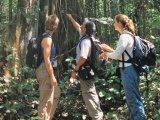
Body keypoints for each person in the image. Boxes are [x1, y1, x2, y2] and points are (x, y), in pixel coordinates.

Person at [99, 14, 146, 120]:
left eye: (115, 22)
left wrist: (105, 54)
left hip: (128, 71)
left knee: (133, 100)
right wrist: (109, 50)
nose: (114, 24)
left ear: (120, 23)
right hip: (130, 70)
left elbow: (116, 55)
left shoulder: (124, 36)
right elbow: (121, 54)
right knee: (131, 100)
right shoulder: (129, 35)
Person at [66, 14, 105, 120]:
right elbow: (77, 26)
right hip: (89, 70)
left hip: (85, 70)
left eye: (83, 26)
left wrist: (75, 70)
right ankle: (98, 115)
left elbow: (83, 57)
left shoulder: (85, 41)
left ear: (85, 29)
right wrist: (70, 18)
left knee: (88, 94)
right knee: (91, 92)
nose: (81, 27)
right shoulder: (89, 38)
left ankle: (96, 117)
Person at [35, 14, 61, 120]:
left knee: (56, 93)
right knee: (45, 101)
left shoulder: (45, 37)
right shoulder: (47, 39)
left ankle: (48, 117)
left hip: (45, 69)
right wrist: (52, 76)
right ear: (55, 26)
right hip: (44, 70)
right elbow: (46, 60)